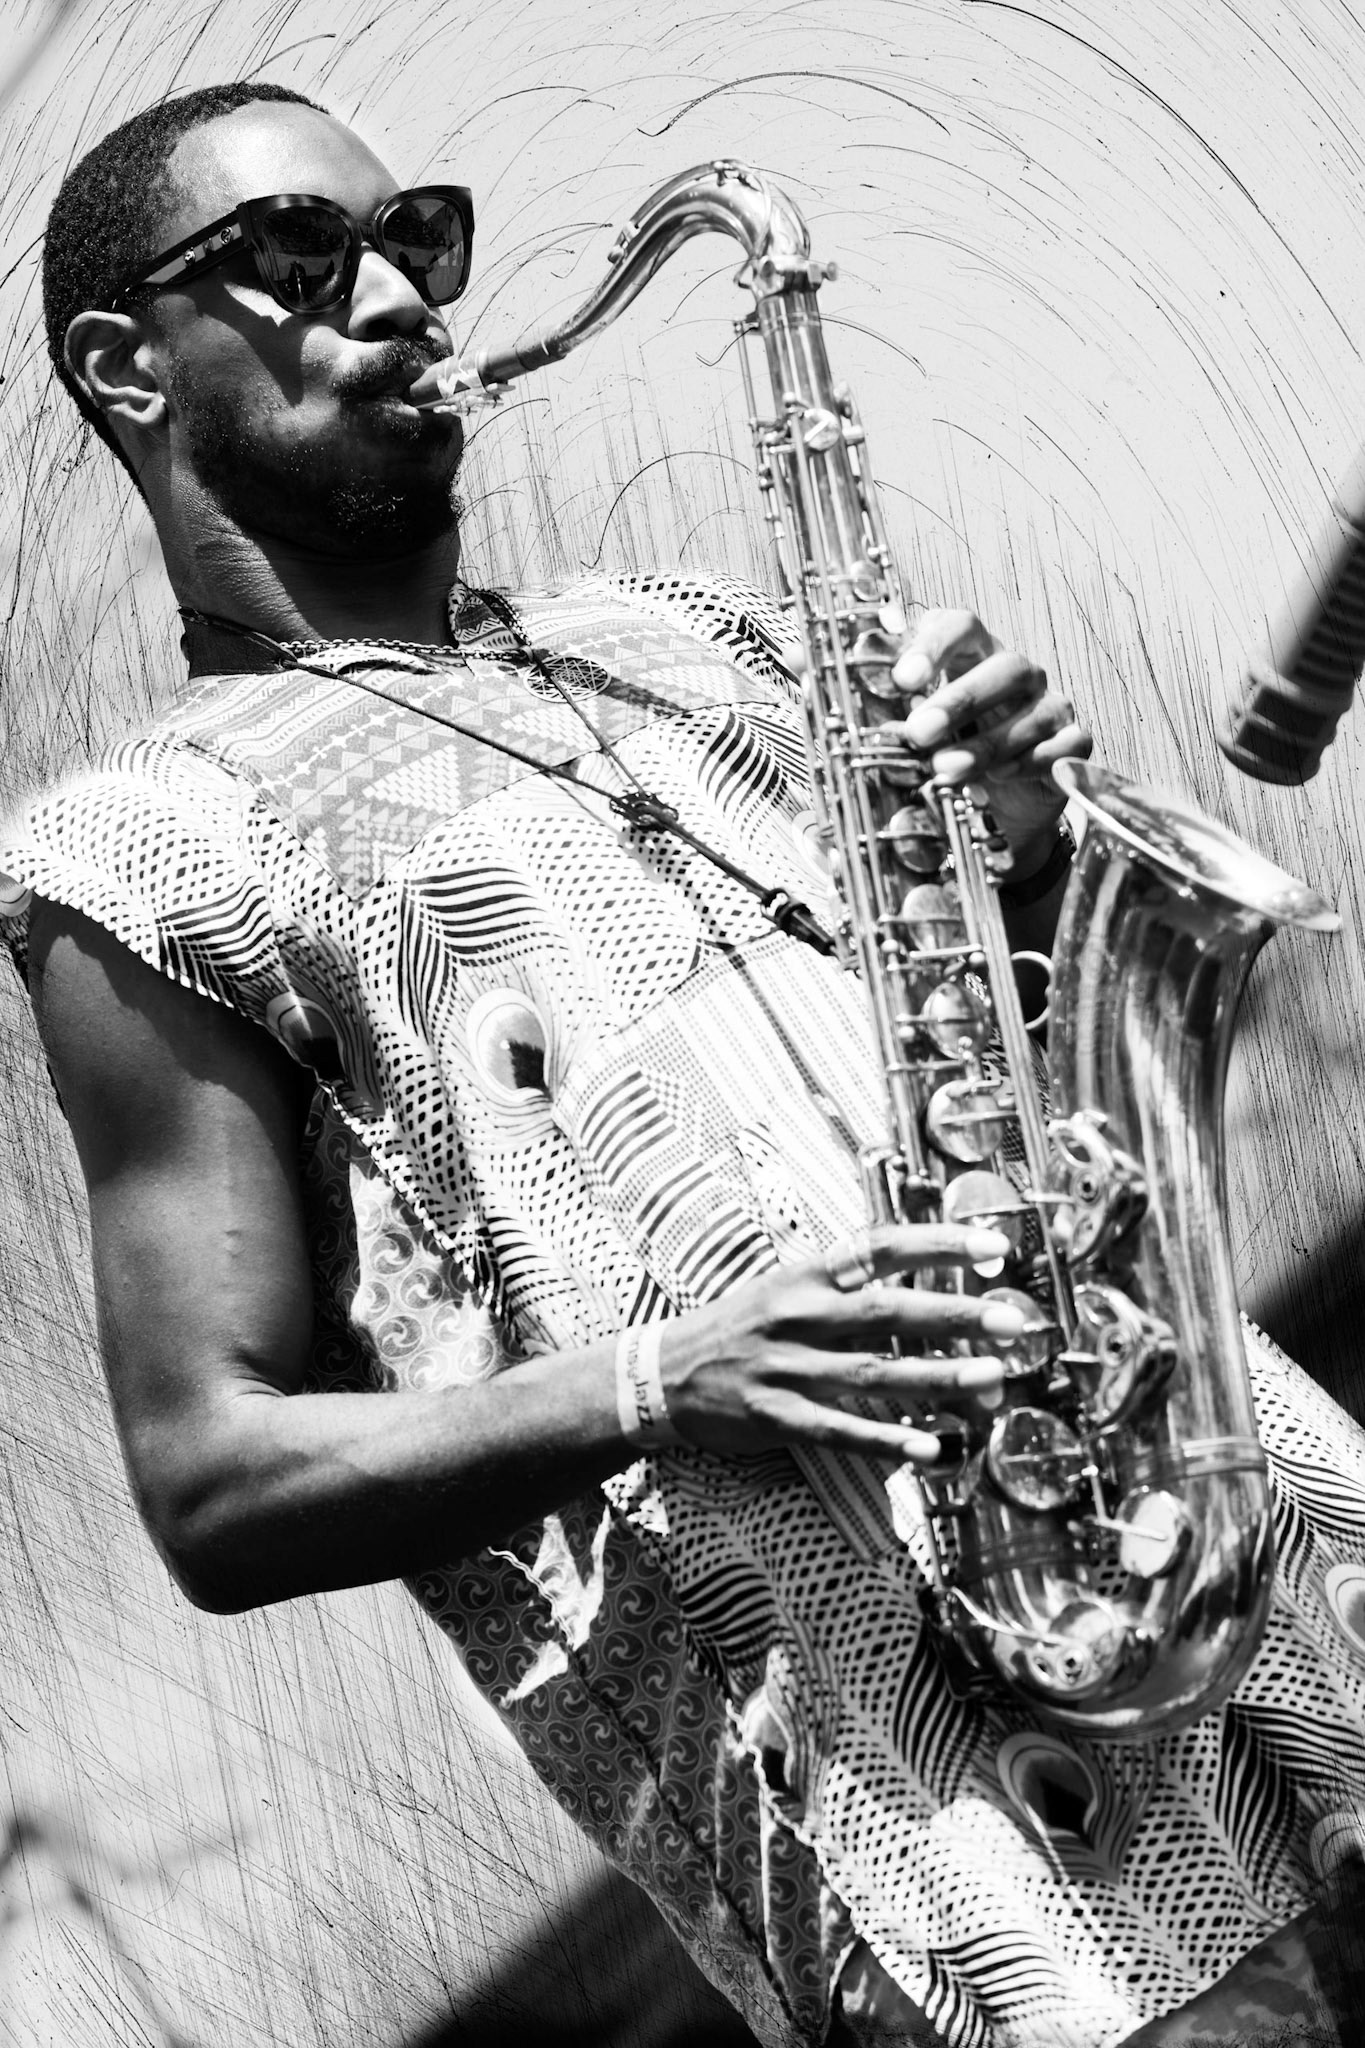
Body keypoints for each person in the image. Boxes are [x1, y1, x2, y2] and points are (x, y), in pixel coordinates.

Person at [6, 80, 1365, 2048]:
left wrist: (1036, 837)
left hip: (1273, 1569)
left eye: (419, 239)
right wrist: (665, 1377)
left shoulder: (688, 632)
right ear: (127, 366)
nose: (390, 290)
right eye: (298, 256)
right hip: (986, 1864)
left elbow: (1042, 1088)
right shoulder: (134, 855)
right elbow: (213, 1476)